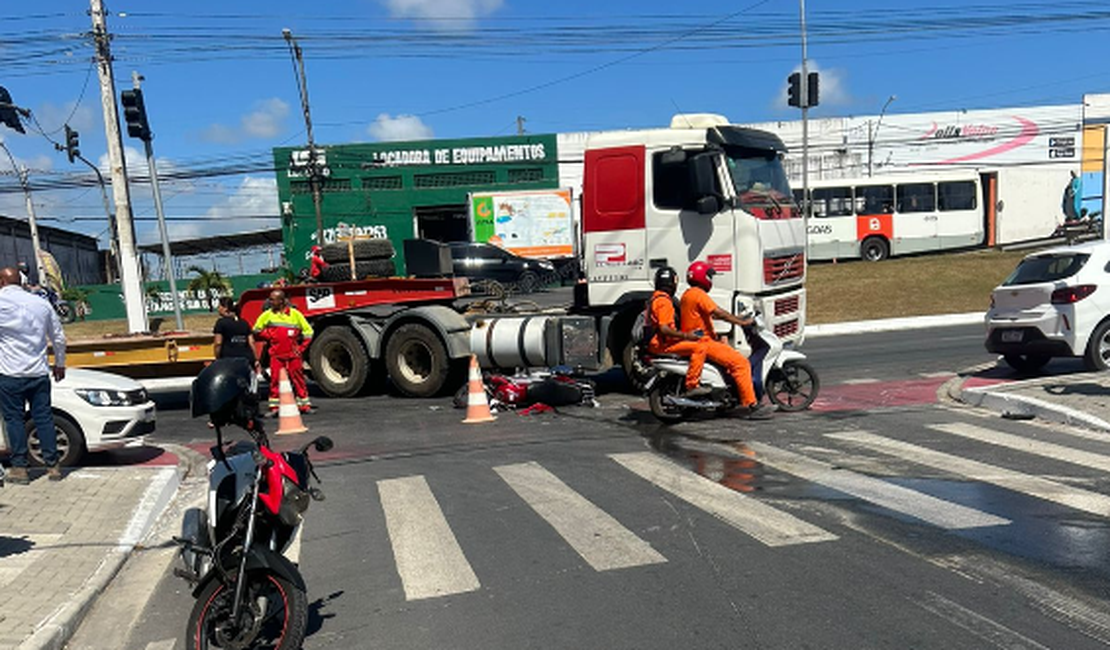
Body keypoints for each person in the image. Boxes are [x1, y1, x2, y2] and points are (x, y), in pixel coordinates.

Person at [679, 261, 772, 420]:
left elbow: (711, 315)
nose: (711, 280)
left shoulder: (688, 295)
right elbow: (718, 313)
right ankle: (751, 404)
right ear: (703, 277)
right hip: (705, 343)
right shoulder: (698, 294)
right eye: (709, 276)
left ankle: (728, 398)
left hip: (701, 341)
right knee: (740, 363)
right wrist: (741, 322)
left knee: (729, 357)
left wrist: (737, 318)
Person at [0, 266, 66, 483]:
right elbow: (58, 337)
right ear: (20, 281)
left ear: (1, 282)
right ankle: (53, 466)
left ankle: (20, 468)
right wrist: (60, 364)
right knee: (44, 418)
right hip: (38, 372)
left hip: (10, 372)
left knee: (14, 420)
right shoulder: (41, 303)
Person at [645, 266, 711, 397]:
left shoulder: (657, 299)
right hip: (663, 345)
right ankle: (692, 385)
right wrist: (686, 335)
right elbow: (664, 329)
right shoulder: (664, 302)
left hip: (662, 342)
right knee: (700, 348)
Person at [253, 289, 314, 415]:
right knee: (275, 380)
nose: (270, 302)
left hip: (293, 354)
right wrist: (270, 335)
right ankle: (274, 407)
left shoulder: (295, 315)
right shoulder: (267, 315)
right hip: (276, 354)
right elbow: (256, 330)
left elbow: (308, 332)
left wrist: (301, 349)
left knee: (298, 379)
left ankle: (304, 405)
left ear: (281, 301)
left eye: (272, 299)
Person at [214, 297, 258, 368]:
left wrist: (217, 358)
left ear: (225, 308)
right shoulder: (244, 323)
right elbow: (252, 342)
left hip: (229, 360)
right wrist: (256, 359)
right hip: (246, 360)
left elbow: (218, 343)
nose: (218, 309)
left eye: (219, 306)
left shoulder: (221, 323)